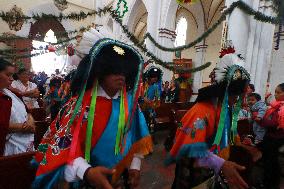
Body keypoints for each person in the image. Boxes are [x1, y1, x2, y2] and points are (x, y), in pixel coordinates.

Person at [32, 31, 152, 189]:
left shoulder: (130, 104)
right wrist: (87, 172)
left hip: (119, 177)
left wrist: (135, 166)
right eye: (114, 69)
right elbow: (62, 146)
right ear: (100, 71)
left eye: (124, 71)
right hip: (85, 180)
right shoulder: (78, 105)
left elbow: (136, 135)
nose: (121, 75)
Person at [166, 50, 253, 189]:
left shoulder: (225, 109)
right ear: (225, 92)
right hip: (193, 176)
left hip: (213, 171)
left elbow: (227, 135)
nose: (235, 102)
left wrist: (240, 143)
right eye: (234, 97)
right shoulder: (202, 111)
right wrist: (221, 164)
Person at [0, 59, 35, 156]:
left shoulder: (11, 93)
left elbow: (27, 111)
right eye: (8, 75)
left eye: (12, 75)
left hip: (26, 141)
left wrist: (30, 121)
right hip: (9, 146)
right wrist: (25, 127)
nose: (11, 79)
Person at [261, 83, 284, 189]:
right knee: (269, 161)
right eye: (275, 92)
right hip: (271, 136)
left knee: (270, 162)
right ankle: (269, 182)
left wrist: (262, 121)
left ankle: (269, 184)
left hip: (276, 138)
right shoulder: (276, 105)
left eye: (278, 92)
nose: (275, 94)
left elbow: (273, 123)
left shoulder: (281, 108)